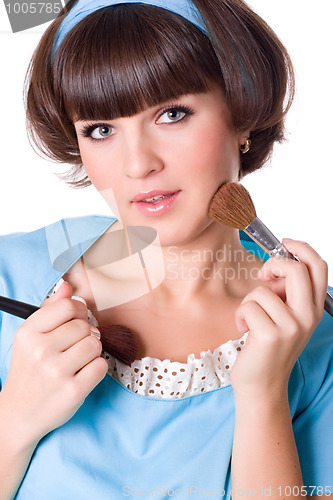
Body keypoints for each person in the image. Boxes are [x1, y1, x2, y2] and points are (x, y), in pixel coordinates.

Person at [0, 0, 332, 498]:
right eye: (100, 129)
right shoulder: (13, 278)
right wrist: (14, 421)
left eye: (172, 114)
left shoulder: (311, 339)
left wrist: (263, 394)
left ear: (242, 115)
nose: (137, 165)